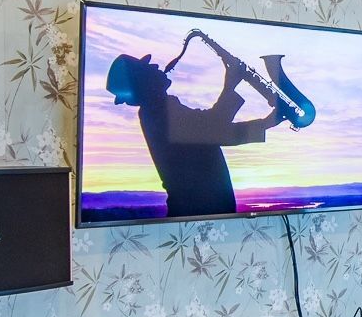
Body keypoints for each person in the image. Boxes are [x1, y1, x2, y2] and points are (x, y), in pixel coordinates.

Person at [106, 33, 285, 217]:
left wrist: (268, 122)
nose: (156, 66)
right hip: (199, 214)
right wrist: (230, 85)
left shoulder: (157, 110)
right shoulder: (158, 111)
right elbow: (212, 126)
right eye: (147, 68)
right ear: (143, 81)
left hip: (202, 215)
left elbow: (213, 133)